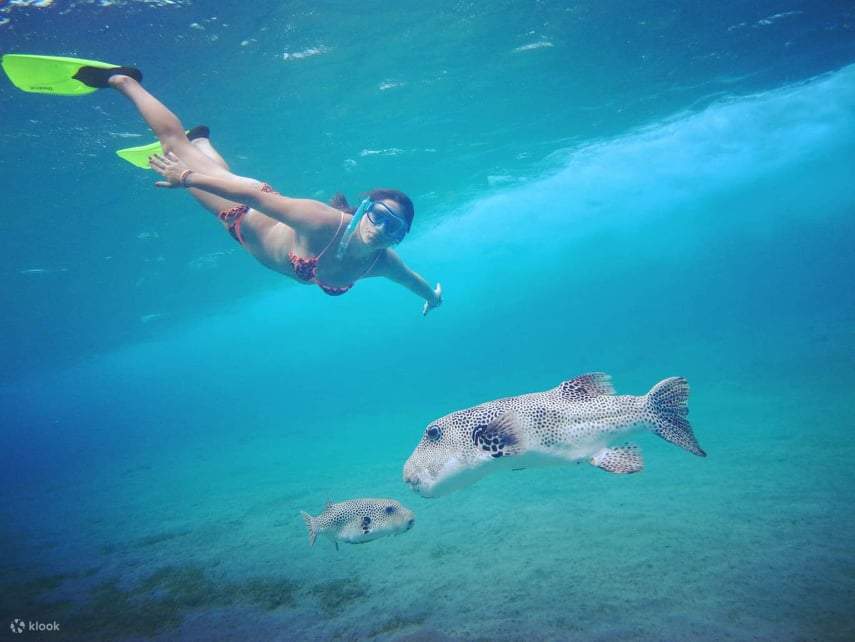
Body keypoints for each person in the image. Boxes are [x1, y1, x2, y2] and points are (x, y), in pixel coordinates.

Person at [103, 70, 443, 313]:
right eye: (380, 216)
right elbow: (256, 198)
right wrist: (187, 177)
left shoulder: (380, 263)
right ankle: (126, 82)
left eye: (395, 228)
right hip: (240, 207)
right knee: (172, 145)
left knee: (217, 168)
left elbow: (413, 282)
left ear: (401, 236)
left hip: (243, 233)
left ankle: (202, 141)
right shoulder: (322, 221)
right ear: (363, 210)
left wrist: (432, 298)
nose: (382, 228)